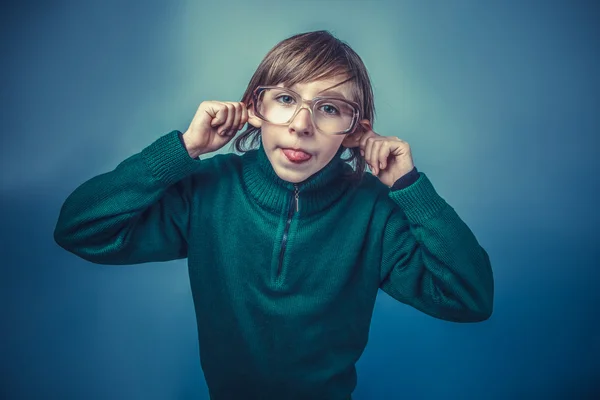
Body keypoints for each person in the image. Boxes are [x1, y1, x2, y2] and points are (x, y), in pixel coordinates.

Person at [54, 30, 494, 400]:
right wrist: (182, 150)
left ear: (355, 131)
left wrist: (410, 188)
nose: (302, 125)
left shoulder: (373, 212)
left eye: (329, 108)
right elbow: (80, 228)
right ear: (255, 109)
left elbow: (468, 299)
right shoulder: (207, 190)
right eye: (285, 99)